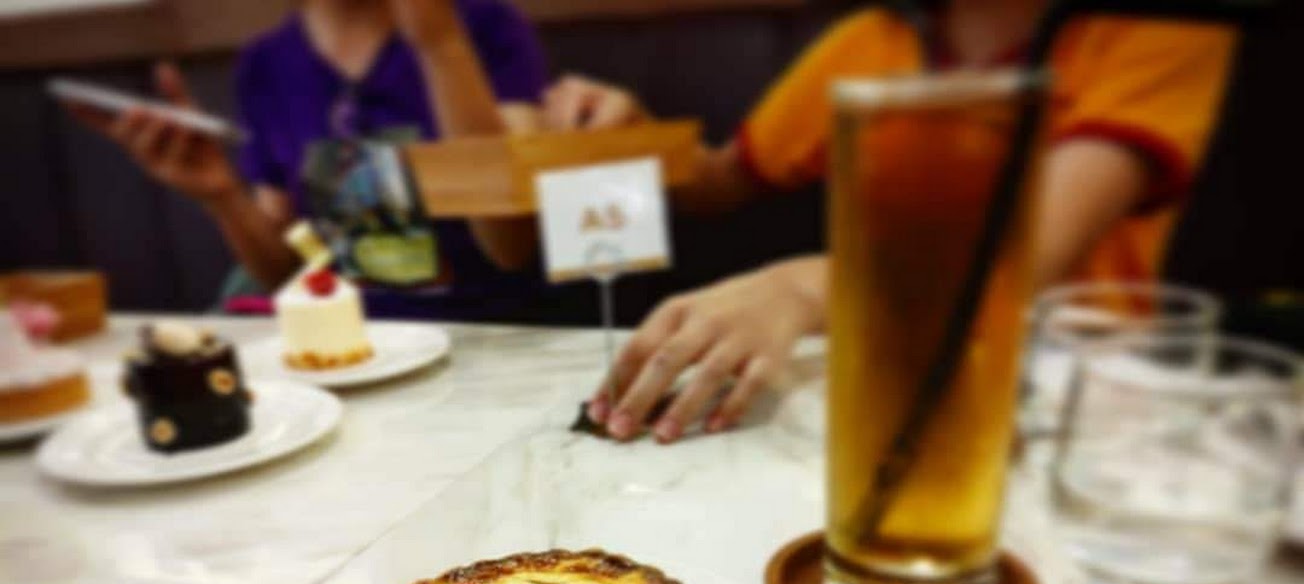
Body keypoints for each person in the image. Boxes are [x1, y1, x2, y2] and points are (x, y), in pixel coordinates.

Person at [546, 0, 1238, 443]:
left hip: (1087, 392)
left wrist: (805, 288)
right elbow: (726, 179)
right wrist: (636, 136)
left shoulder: (1161, 30)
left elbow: (1023, 260)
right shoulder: (871, 39)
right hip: (887, 369)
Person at [67, 0, 548, 317]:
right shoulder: (266, 64)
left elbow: (510, 248)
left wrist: (439, 44)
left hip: (493, 338)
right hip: (355, 350)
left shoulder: (484, 25)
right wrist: (223, 196)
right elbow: (288, 274)